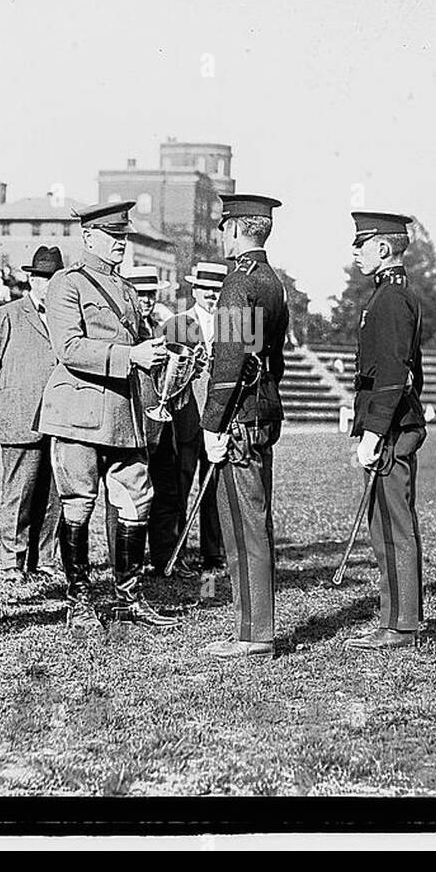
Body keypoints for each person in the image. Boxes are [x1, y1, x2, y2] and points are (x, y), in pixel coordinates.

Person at [36, 201, 175, 636]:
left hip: (123, 413)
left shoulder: (128, 291)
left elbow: (138, 344)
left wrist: (160, 356)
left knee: (137, 499)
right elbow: (70, 349)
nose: (120, 244)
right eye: (113, 237)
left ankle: (128, 598)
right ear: (89, 237)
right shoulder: (67, 284)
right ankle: (78, 599)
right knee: (78, 504)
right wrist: (129, 355)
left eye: (124, 237)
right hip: (79, 412)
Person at [200, 195, 288, 659]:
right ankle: (254, 629)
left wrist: (213, 423)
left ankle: (254, 634)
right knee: (254, 521)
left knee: (243, 525)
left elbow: (230, 359)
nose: (221, 236)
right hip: (262, 410)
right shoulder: (272, 282)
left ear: (235, 229)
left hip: (239, 419)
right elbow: (272, 360)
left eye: (223, 228)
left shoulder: (240, 283)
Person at [344, 211, 427, 651]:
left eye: (361, 244)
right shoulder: (392, 295)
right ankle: (400, 618)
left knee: (393, 526)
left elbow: (395, 371)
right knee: (390, 523)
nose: (355, 252)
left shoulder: (391, 300)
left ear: (381, 247)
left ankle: (400, 625)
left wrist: (375, 432)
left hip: (392, 428)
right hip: (391, 422)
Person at [0, 245, 65, 581]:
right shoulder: (7, 315)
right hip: (18, 419)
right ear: (30, 279)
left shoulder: (65, 318)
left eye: (54, 278)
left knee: (54, 496)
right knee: (20, 493)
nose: (48, 284)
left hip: (59, 422)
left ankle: (45, 559)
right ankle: (11, 560)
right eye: (42, 278)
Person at [105, 265, 179, 572]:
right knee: (121, 494)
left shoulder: (161, 328)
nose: (146, 300)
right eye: (140, 293)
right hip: (127, 422)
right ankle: (118, 562)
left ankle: (158, 559)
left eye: (151, 294)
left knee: (161, 491)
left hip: (158, 424)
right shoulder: (120, 330)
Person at [162, 261, 228, 577]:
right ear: (194, 290)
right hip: (186, 416)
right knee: (181, 483)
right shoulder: (177, 323)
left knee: (214, 486)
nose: (212, 295)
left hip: (220, 417)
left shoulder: (236, 323)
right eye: (206, 289)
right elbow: (167, 376)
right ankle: (176, 550)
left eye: (217, 290)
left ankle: (213, 554)